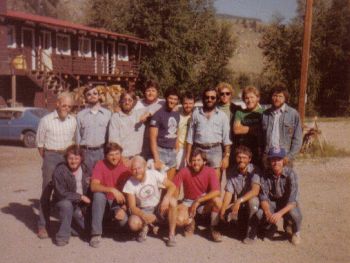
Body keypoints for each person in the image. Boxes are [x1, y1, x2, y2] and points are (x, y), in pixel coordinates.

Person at [36, 92, 76, 239]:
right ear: (57, 104)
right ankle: (43, 225)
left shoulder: (73, 120)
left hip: (66, 157)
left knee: (65, 191)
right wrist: (49, 158)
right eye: (64, 105)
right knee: (47, 191)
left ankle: (66, 224)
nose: (67, 108)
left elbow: (74, 140)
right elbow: (40, 145)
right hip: (51, 156)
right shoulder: (46, 120)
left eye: (69, 106)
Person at [123, 155, 178, 247]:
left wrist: (166, 198)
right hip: (143, 209)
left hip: (157, 207)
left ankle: (171, 235)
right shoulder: (130, 183)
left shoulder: (153, 174)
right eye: (134, 169)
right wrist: (144, 215)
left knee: (172, 201)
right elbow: (132, 207)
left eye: (139, 168)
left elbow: (172, 186)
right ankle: (145, 227)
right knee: (133, 223)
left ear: (145, 166)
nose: (137, 171)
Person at [174, 149, 222, 242]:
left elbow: (216, 191)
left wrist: (199, 200)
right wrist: (174, 202)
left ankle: (213, 227)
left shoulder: (210, 171)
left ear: (204, 161)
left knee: (218, 201)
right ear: (190, 161)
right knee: (178, 220)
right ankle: (191, 222)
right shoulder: (185, 171)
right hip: (188, 201)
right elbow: (174, 186)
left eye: (198, 160)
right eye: (193, 160)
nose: (196, 163)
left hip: (204, 202)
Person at [257, 147, 302, 246]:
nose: (276, 162)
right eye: (273, 159)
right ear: (269, 161)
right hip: (273, 202)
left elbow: (293, 200)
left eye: (279, 159)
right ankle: (271, 227)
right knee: (260, 213)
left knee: (295, 213)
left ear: (284, 160)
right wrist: (268, 213)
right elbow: (263, 197)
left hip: (287, 203)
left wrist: (279, 214)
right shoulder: (265, 174)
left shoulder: (291, 173)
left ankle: (296, 232)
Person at [89, 142, 131, 248]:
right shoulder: (100, 164)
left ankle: (108, 227)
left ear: (121, 154)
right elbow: (93, 186)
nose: (114, 157)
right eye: (111, 155)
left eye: (117, 154)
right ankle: (96, 234)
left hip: (119, 202)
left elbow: (133, 191)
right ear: (106, 155)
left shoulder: (126, 166)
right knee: (98, 196)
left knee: (123, 222)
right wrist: (112, 189)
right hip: (104, 201)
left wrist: (124, 208)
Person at [186, 87, 231, 179]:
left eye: (212, 97)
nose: (209, 99)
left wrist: (226, 157)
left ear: (217, 99)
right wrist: (188, 155)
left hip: (215, 150)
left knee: (215, 183)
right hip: (198, 150)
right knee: (198, 180)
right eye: (207, 97)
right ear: (203, 99)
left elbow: (227, 140)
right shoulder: (196, 114)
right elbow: (190, 137)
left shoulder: (222, 116)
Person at [220, 145, 261, 244]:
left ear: (249, 159)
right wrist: (223, 210)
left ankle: (252, 235)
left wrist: (239, 200)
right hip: (241, 205)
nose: (241, 160)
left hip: (255, 205)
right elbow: (229, 193)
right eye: (239, 157)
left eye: (244, 158)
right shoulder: (232, 171)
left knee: (253, 202)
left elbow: (255, 191)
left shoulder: (255, 170)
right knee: (224, 211)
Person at [52, 145, 91, 246]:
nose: (73, 161)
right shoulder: (60, 170)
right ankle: (62, 236)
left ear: (81, 158)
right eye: (70, 158)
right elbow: (60, 193)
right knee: (66, 205)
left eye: (77, 158)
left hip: (81, 205)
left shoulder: (85, 169)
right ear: (66, 158)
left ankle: (71, 226)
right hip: (64, 202)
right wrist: (80, 197)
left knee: (88, 232)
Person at [262, 83, 302, 166]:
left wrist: (289, 157)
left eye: (280, 96)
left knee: (286, 178)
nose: (277, 99)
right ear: (271, 97)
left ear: (285, 98)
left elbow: (297, 139)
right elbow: (261, 138)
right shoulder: (265, 114)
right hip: (268, 157)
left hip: (285, 157)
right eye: (275, 96)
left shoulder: (293, 114)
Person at [109, 91, 152, 166]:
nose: (127, 102)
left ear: (134, 102)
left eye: (130, 100)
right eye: (124, 100)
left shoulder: (139, 113)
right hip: (123, 158)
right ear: (121, 102)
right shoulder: (115, 117)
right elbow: (113, 140)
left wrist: (148, 113)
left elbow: (158, 106)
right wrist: (121, 158)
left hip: (138, 157)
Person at [76, 84, 112, 171]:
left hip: (102, 151)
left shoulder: (108, 114)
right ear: (85, 97)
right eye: (89, 94)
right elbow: (77, 137)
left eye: (95, 93)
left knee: (102, 178)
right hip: (86, 152)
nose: (92, 96)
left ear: (99, 96)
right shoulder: (80, 115)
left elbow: (110, 136)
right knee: (86, 179)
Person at [149, 87, 180, 180]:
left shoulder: (176, 114)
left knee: (169, 184)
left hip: (172, 152)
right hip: (160, 152)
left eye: (175, 99)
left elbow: (176, 130)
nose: (172, 101)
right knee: (158, 184)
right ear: (166, 98)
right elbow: (152, 138)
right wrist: (156, 158)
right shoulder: (158, 114)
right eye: (170, 98)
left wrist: (177, 147)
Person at [134, 79, 164, 160]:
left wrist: (148, 113)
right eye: (148, 90)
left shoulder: (162, 103)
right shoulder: (138, 104)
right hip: (142, 142)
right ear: (144, 92)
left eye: (153, 90)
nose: (150, 93)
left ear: (157, 92)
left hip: (159, 142)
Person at [233, 86, 264, 166]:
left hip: (259, 149)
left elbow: (263, 130)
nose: (249, 100)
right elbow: (236, 130)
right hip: (244, 150)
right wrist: (255, 129)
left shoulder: (264, 113)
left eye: (252, 97)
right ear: (243, 99)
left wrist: (244, 128)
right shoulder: (240, 112)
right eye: (246, 98)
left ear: (258, 98)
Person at [176, 91, 195, 170]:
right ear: (182, 103)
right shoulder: (177, 115)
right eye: (186, 103)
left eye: (190, 103)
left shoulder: (196, 116)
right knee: (176, 172)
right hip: (179, 149)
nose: (188, 106)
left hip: (191, 149)